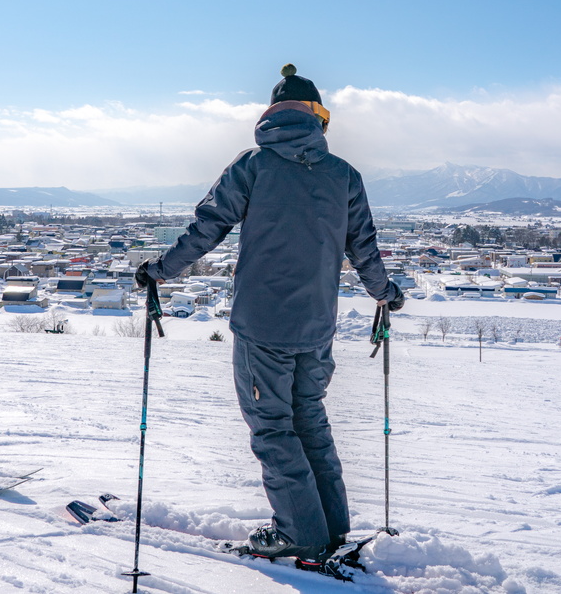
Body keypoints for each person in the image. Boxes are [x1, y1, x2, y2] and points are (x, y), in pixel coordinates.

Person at [135, 65, 404, 567]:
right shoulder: (344, 175)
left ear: (271, 116)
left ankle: (299, 534)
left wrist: (160, 272)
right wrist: (385, 293)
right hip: (317, 326)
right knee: (311, 423)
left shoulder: (253, 166)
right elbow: (363, 247)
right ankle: (330, 528)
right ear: (319, 118)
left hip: (262, 326)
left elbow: (207, 226)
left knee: (273, 429)